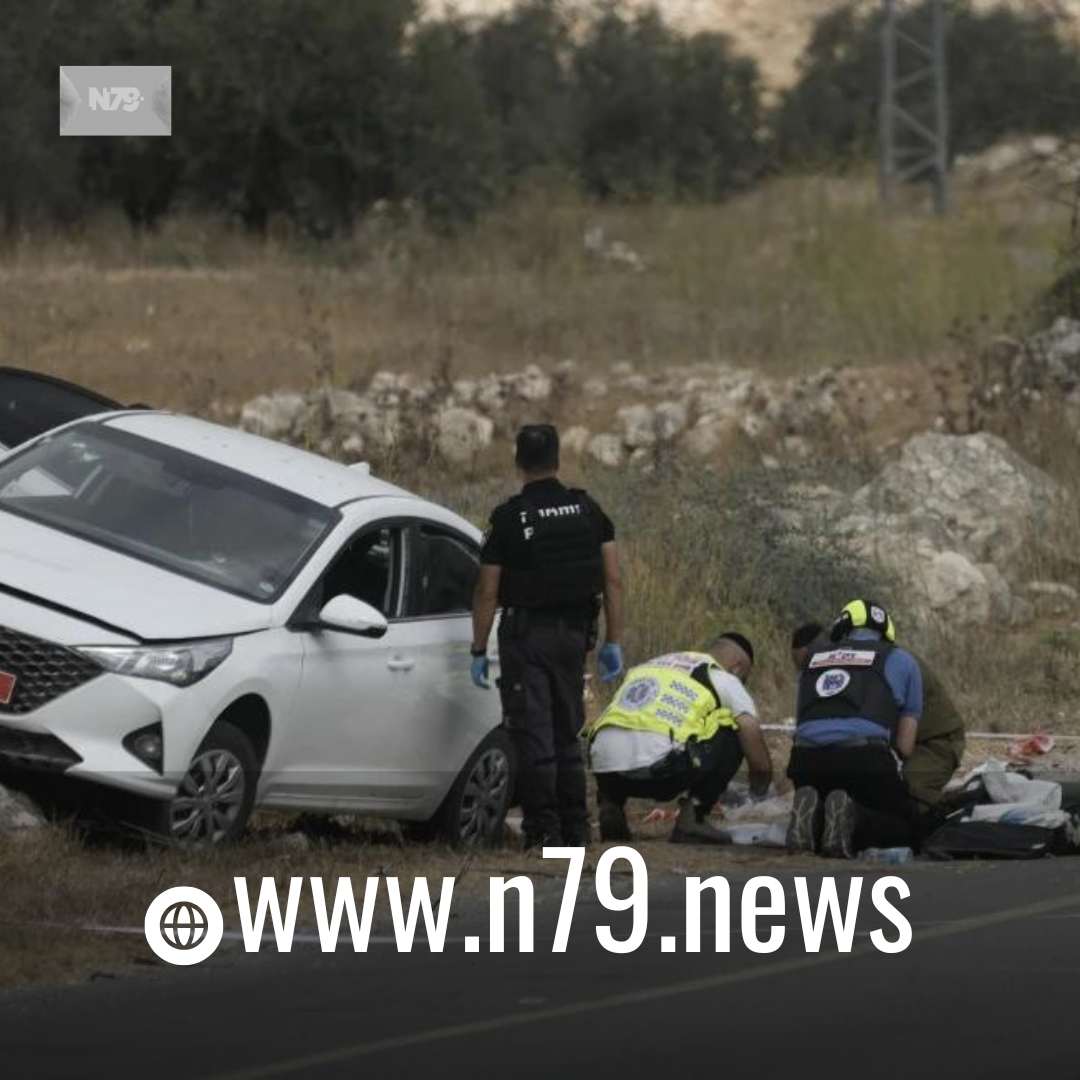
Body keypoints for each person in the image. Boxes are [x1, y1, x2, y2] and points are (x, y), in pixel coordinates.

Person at [471, 424, 624, 849]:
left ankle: (543, 833)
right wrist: (614, 640)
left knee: (534, 733)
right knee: (568, 730)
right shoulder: (588, 510)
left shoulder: (508, 517)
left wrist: (479, 648)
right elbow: (612, 580)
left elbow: (487, 589)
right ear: (557, 459)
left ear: (518, 462)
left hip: (528, 639)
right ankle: (577, 830)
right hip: (575, 638)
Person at [588, 634, 774, 845]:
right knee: (733, 729)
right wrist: (761, 785)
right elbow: (751, 733)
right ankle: (693, 817)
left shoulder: (650, 665)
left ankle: (611, 803)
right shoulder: (722, 677)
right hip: (663, 772)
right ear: (738, 668)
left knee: (625, 729)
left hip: (604, 767)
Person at [786, 600, 923, 858]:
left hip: (805, 762)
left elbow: (802, 725)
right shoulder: (901, 659)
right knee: (905, 828)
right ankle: (853, 817)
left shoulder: (812, 660)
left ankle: (814, 814)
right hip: (864, 759)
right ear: (886, 632)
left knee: (826, 810)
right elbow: (905, 746)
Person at [791, 620, 965, 815]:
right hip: (884, 746)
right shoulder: (873, 662)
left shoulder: (890, 663)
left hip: (933, 741)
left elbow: (902, 743)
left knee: (910, 801)